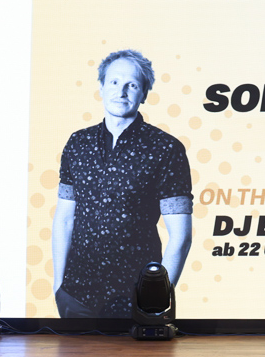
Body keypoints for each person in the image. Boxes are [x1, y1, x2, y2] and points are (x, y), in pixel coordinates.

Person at [51, 49, 193, 318]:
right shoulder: (77, 143)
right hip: (76, 295)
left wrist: (158, 298)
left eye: (132, 85)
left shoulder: (166, 149)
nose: (122, 91)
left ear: (144, 93)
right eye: (114, 82)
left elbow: (181, 237)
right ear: (101, 87)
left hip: (136, 298)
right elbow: (64, 219)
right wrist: (59, 286)